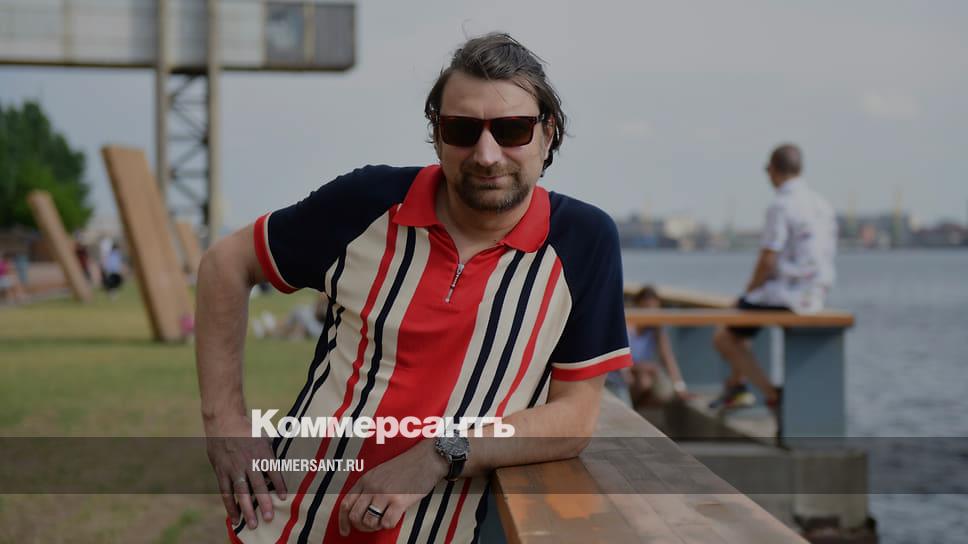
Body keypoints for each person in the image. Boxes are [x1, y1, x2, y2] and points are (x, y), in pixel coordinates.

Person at [195, 33, 632, 544]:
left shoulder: (582, 242)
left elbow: (574, 416)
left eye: (512, 129)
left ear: (547, 132)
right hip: (283, 525)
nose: (486, 154)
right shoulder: (367, 202)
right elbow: (226, 264)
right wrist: (225, 424)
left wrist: (439, 453)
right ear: (437, 133)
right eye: (461, 130)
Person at [710, 144, 837, 418]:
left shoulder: (781, 205)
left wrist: (748, 291)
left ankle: (771, 395)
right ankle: (736, 385)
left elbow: (768, 258)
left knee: (724, 337)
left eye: (767, 169)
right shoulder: (822, 204)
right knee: (740, 328)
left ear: (774, 169)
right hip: (816, 292)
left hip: (787, 293)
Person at [605, 285, 690, 407]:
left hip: (641, 373)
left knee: (661, 390)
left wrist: (680, 386)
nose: (651, 313)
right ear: (637, 307)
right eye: (646, 308)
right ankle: (630, 408)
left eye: (655, 309)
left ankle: (636, 408)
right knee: (642, 382)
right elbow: (619, 362)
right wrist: (643, 367)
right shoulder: (626, 326)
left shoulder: (657, 329)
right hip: (620, 375)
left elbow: (668, 358)